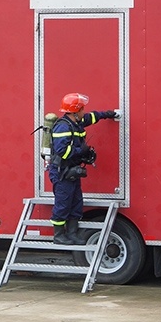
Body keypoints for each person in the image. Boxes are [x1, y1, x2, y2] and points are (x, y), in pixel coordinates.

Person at [49, 93, 120, 245]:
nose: (84, 112)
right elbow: (63, 151)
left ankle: (73, 233)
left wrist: (107, 114)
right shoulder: (63, 126)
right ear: (75, 111)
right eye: (82, 109)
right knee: (63, 203)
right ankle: (59, 236)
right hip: (62, 172)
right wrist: (81, 151)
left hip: (72, 171)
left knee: (76, 203)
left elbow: (92, 117)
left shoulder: (77, 122)